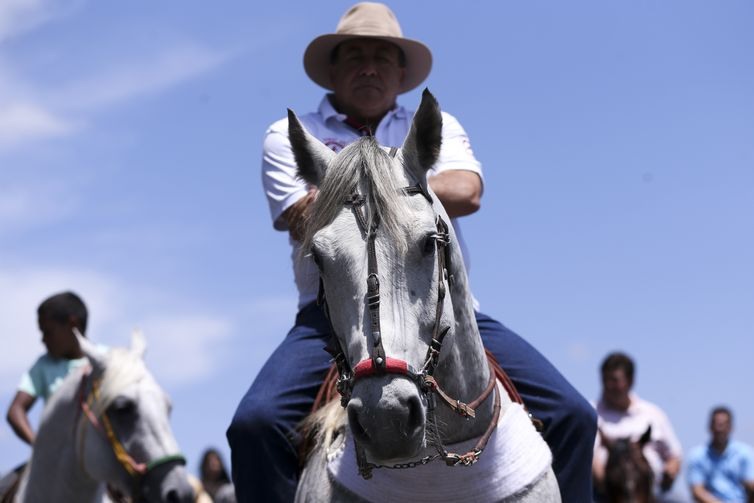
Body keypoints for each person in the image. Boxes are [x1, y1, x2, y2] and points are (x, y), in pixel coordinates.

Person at [227, 3, 596, 502]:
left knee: (573, 415)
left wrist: (365, 188)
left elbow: (468, 190)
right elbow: (299, 213)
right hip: (330, 318)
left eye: (383, 56)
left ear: (402, 73)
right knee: (256, 425)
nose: (369, 66)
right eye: (354, 55)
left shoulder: (432, 123)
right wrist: (407, 184)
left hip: (444, 309)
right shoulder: (291, 134)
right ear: (332, 70)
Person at [592, 351, 683, 500]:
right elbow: (590, 456)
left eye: (615, 380)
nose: (609, 385)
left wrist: (670, 470)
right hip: (603, 494)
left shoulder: (652, 414)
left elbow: (674, 456)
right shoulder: (591, 413)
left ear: (630, 381)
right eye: (605, 379)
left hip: (652, 492)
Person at [6, 291, 93, 446]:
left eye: (48, 332)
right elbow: (15, 410)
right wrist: (39, 448)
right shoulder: (44, 366)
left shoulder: (106, 361)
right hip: (59, 460)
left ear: (73, 325)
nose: (43, 340)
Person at [687, 406, 754, 502]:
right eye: (716, 424)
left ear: (731, 427)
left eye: (723, 425)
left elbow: (751, 484)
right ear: (710, 426)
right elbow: (697, 490)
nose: (719, 429)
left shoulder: (744, 453)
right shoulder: (697, 456)